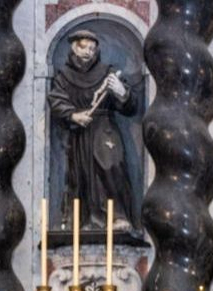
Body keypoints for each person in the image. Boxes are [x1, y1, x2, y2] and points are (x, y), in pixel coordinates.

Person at [47, 28, 145, 236]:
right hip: (80, 132)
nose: (88, 52)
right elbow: (56, 100)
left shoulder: (107, 73)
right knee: (81, 175)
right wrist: (73, 115)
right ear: (74, 47)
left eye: (92, 48)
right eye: (84, 47)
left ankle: (118, 216)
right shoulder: (64, 76)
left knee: (111, 165)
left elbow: (131, 107)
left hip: (105, 128)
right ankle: (83, 219)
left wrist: (121, 91)